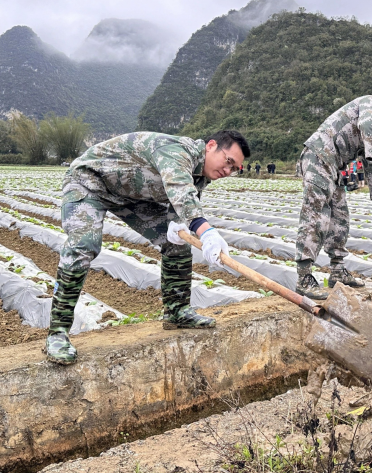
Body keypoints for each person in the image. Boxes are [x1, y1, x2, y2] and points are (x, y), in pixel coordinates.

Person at [45, 130, 250, 365]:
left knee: (177, 244)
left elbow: (180, 207)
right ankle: (57, 333)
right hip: (90, 182)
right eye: (228, 162)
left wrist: (180, 227)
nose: (227, 171)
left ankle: (177, 311)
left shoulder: (201, 175)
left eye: (234, 169)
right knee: (84, 245)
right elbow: (179, 188)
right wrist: (206, 231)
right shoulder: (176, 151)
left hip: (131, 197)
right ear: (211, 146)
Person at [296, 94, 372, 299]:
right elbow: (367, 127)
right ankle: (304, 277)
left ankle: (338, 271)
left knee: (340, 218)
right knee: (317, 216)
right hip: (319, 157)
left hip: (335, 166)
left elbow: (369, 161)